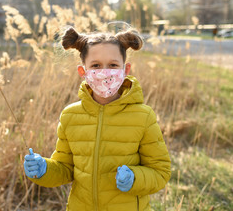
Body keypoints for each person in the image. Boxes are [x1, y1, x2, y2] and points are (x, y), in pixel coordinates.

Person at [24, 27, 171, 210]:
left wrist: (135, 178)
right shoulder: (70, 116)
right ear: (82, 71)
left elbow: (160, 172)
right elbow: (65, 168)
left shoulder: (143, 117)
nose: (104, 72)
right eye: (95, 66)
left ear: (125, 70)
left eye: (113, 65)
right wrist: (44, 170)